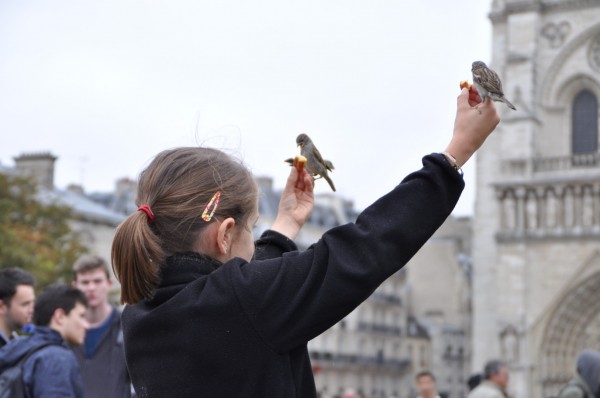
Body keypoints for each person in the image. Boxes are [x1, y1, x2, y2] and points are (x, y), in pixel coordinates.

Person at [112, 87, 500, 397]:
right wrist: (452, 158)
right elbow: (364, 248)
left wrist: (282, 229)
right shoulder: (240, 305)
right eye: (251, 228)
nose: (254, 243)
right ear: (225, 234)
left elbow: (241, 293)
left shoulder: (140, 312)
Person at [0, 284, 89, 397]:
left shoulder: (19, 348)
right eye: (81, 316)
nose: (86, 325)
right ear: (60, 316)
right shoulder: (56, 357)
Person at [71, 255, 131, 398]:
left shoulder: (126, 326)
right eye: (85, 282)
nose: (91, 288)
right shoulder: (64, 332)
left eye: (97, 281)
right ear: (74, 286)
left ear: (109, 284)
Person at [0, 268, 36, 347]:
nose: (32, 310)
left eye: (32, 303)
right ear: (1, 307)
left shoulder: (17, 345)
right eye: (25, 304)